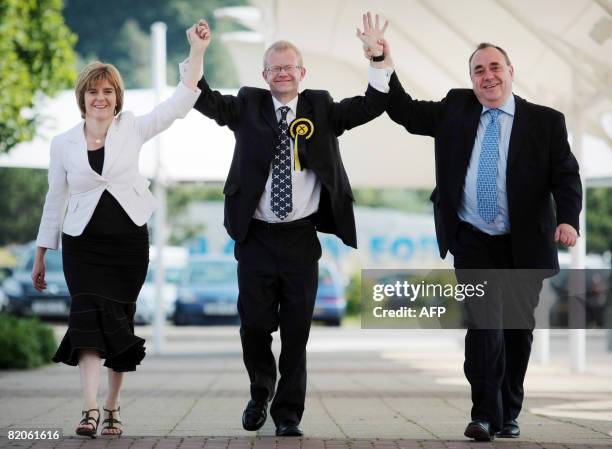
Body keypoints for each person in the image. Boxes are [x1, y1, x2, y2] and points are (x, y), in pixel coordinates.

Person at [358, 32, 582, 440]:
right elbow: (404, 111)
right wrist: (381, 61)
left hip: (524, 242)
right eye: (478, 70)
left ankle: (507, 413)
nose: (487, 76)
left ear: (511, 72)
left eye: (495, 67)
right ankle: (482, 414)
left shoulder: (546, 122)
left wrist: (568, 220)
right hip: (473, 239)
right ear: (471, 79)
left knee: (516, 331)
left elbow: (566, 175)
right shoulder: (456, 107)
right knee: (484, 326)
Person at [183, 18, 389, 436]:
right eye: (274, 68)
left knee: (297, 332)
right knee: (255, 325)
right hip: (255, 237)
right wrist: (198, 52)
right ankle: (261, 389)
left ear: (301, 73)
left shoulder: (322, 107)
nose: (282, 73)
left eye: (288, 67)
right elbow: (201, 99)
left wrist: (378, 57)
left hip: (300, 239)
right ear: (264, 75)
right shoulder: (247, 105)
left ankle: (288, 416)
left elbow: (372, 104)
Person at [31, 24, 209, 437]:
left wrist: (196, 51)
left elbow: (179, 103)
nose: (101, 97)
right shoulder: (63, 144)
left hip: (128, 244)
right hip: (82, 245)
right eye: (94, 91)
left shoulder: (133, 128)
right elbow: (54, 198)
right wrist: (42, 252)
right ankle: (90, 409)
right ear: (83, 98)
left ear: (117, 98)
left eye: (108, 91)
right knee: (87, 316)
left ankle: (112, 406)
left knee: (119, 322)